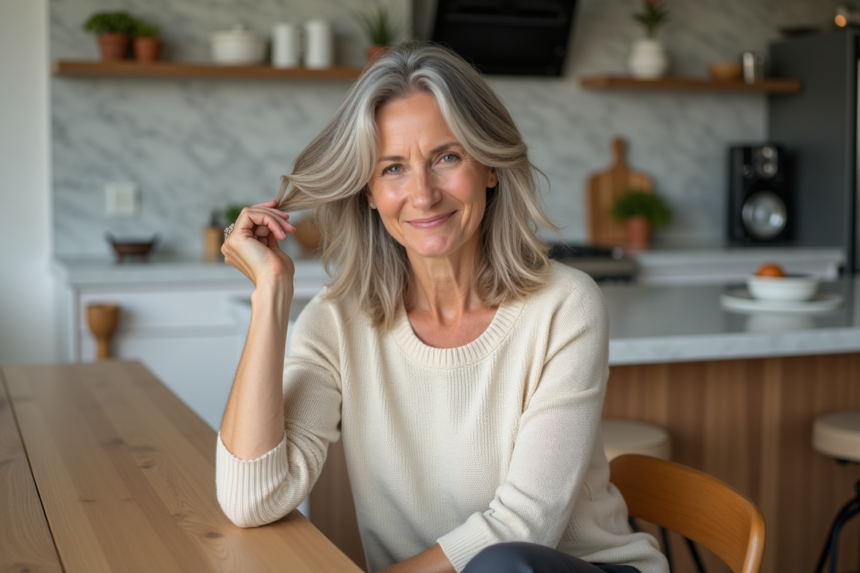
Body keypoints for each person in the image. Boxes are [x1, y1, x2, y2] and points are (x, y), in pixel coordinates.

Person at [216, 41, 668, 573]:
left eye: (447, 158)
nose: (424, 194)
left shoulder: (565, 306)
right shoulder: (338, 321)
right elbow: (252, 501)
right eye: (392, 168)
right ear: (368, 192)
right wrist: (270, 292)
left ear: (491, 167)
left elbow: (523, 529)